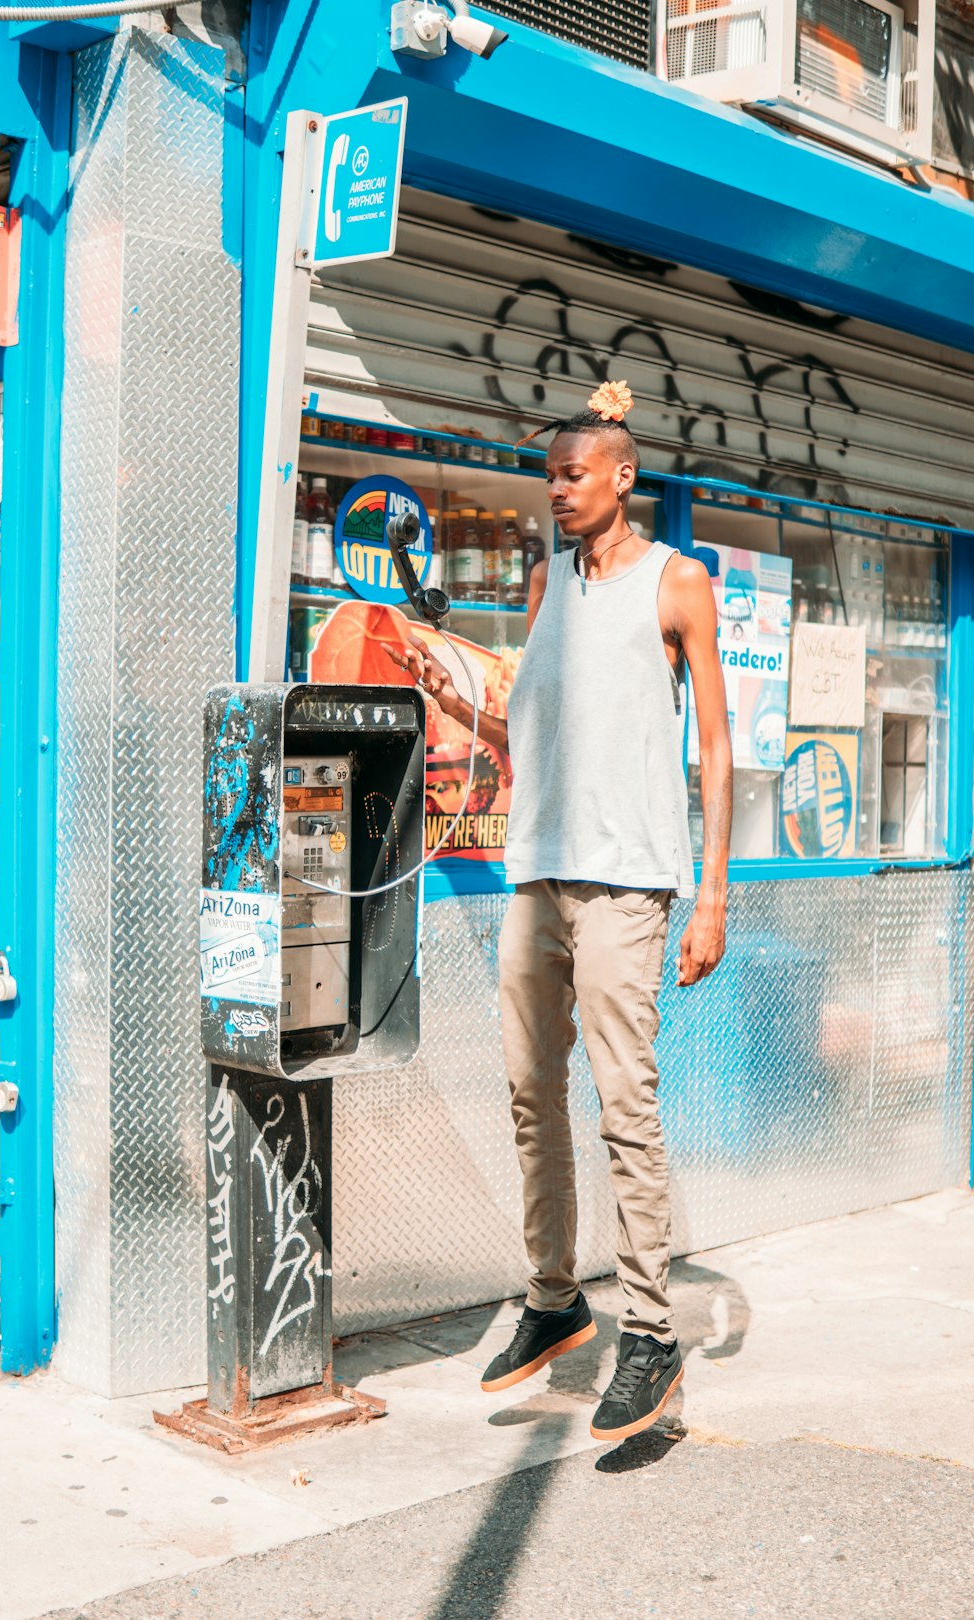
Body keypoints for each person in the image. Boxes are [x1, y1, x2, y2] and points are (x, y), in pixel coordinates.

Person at [390, 380, 733, 1442]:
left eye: (573, 476)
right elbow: (533, 734)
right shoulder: (550, 586)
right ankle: (553, 1299)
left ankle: (651, 1335)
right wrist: (455, 700)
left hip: (629, 881)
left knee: (625, 1106)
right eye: (549, 479)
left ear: (623, 478)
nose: (557, 493)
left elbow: (717, 748)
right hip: (535, 873)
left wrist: (712, 892)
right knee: (531, 1092)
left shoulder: (679, 586)